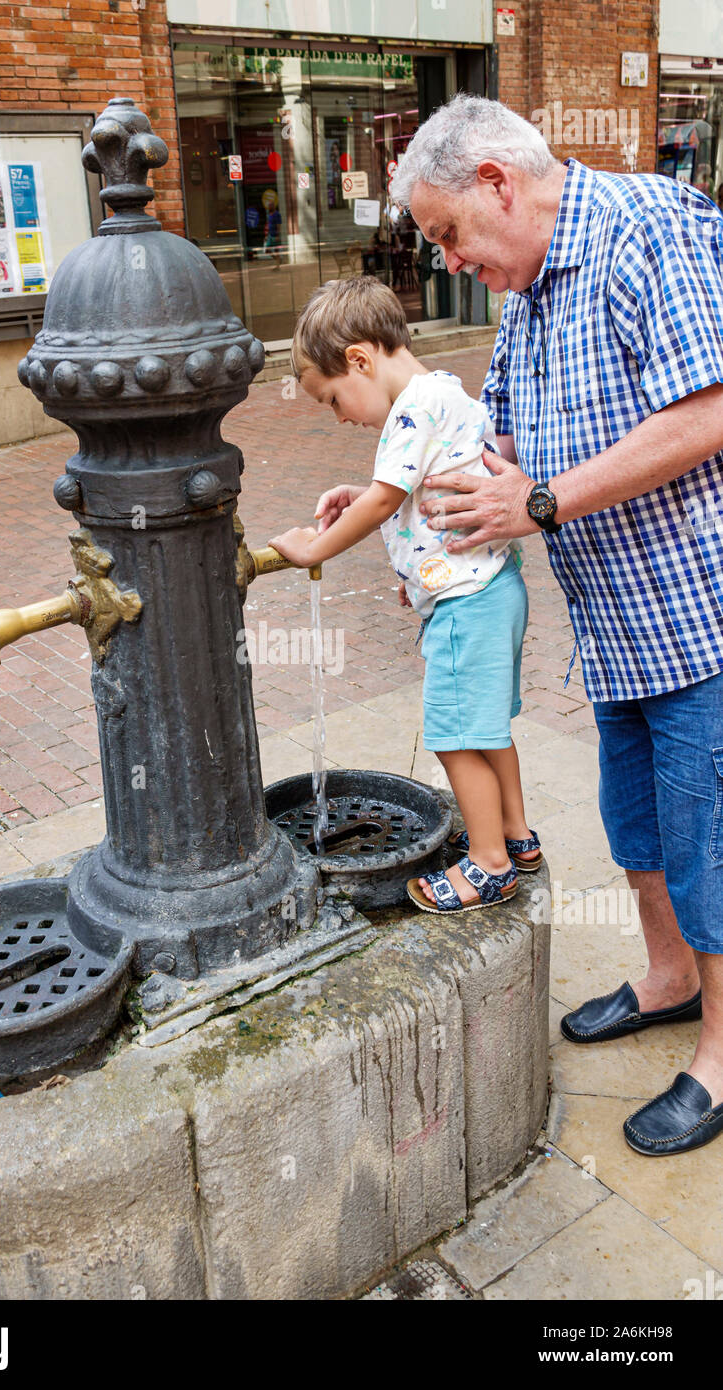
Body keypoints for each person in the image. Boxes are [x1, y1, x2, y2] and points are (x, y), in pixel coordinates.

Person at [375, 92, 723, 1157]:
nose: (448, 260)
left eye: (446, 235)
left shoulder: (647, 227)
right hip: (617, 626)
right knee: (638, 825)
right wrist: (389, 518)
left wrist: (541, 503)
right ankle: (667, 976)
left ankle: (720, 1051)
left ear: (495, 183)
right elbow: (495, 450)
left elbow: (709, 410)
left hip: (700, 616)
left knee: (707, 841)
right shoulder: (523, 292)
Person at [268, 276, 543, 914]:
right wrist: (362, 501)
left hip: (464, 609)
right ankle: (516, 834)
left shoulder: (411, 408)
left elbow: (390, 494)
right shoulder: (444, 391)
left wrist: (315, 549)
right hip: (492, 587)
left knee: (452, 735)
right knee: (488, 727)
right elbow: (416, 491)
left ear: (360, 359)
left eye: (333, 399)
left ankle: (488, 864)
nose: (340, 417)